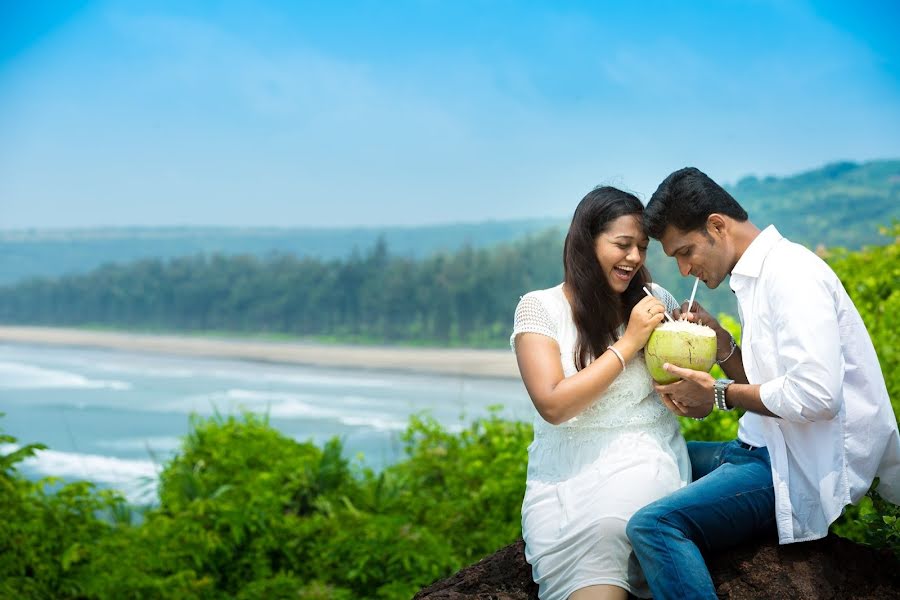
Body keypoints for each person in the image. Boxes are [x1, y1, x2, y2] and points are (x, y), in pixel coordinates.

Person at [626, 166, 900, 599]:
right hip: (758, 447)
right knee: (642, 456)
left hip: (790, 465)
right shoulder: (756, 276)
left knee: (654, 525)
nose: (682, 269)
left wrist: (717, 394)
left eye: (685, 251)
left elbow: (815, 396)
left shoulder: (791, 274)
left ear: (717, 225)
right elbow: (770, 386)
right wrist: (721, 345)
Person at [511, 186, 692, 600]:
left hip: (643, 455)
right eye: (622, 245)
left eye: (642, 248)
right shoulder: (539, 308)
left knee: (611, 523)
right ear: (586, 241)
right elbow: (554, 405)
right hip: (561, 475)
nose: (634, 258)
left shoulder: (654, 301)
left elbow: (684, 396)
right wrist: (629, 342)